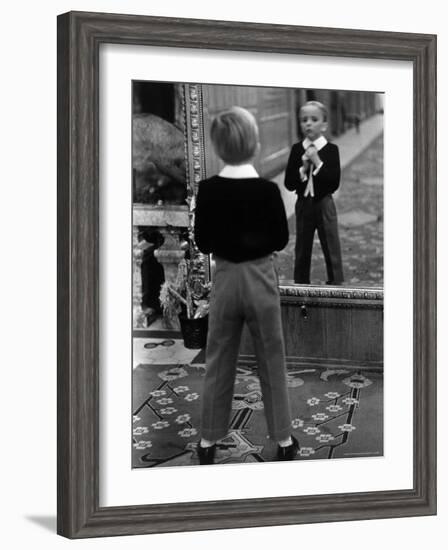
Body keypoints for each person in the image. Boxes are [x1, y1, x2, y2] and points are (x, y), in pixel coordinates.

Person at [194, 106, 298, 465]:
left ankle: (207, 441)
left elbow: (204, 242)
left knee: (218, 358)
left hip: (224, 280)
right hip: (260, 279)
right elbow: (281, 239)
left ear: (217, 147)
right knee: (272, 357)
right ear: (255, 145)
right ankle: (284, 439)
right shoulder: (268, 191)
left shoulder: (207, 190)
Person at [284, 100, 344, 285]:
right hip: (303, 204)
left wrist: (318, 162)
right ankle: (301, 285)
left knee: (331, 246)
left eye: (314, 119)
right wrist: (302, 168)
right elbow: (289, 184)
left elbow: (333, 183)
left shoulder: (332, 150)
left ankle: (336, 284)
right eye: (304, 120)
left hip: (325, 204)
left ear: (324, 125)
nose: (308, 123)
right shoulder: (296, 150)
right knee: (302, 248)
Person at [137, 228, 165, 325]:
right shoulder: (149, 255)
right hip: (152, 262)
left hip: (152, 300)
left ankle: (152, 307)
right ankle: (153, 307)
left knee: (150, 284)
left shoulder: (148, 255)